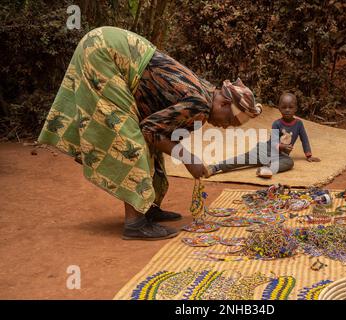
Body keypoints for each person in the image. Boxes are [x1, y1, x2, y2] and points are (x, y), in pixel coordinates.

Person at [38, 26, 262, 241]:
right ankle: (135, 224)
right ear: (223, 103)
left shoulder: (204, 95)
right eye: (229, 122)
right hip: (103, 53)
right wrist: (189, 159)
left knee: (153, 143)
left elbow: (162, 133)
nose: (225, 127)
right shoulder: (200, 103)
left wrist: (183, 154)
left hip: (105, 45)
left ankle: (149, 207)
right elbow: (149, 129)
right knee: (131, 140)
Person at [206, 92, 320, 179]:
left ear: (296, 108)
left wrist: (308, 155)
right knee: (241, 160)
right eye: (284, 107)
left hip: (279, 157)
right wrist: (283, 147)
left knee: (290, 162)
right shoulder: (277, 123)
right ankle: (215, 168)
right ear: (279, 108)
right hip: (265, 150)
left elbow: (304, 139)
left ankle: (266, 169)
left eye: (291, 107)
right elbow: (274, 142)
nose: (287, 110)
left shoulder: (299, 124)